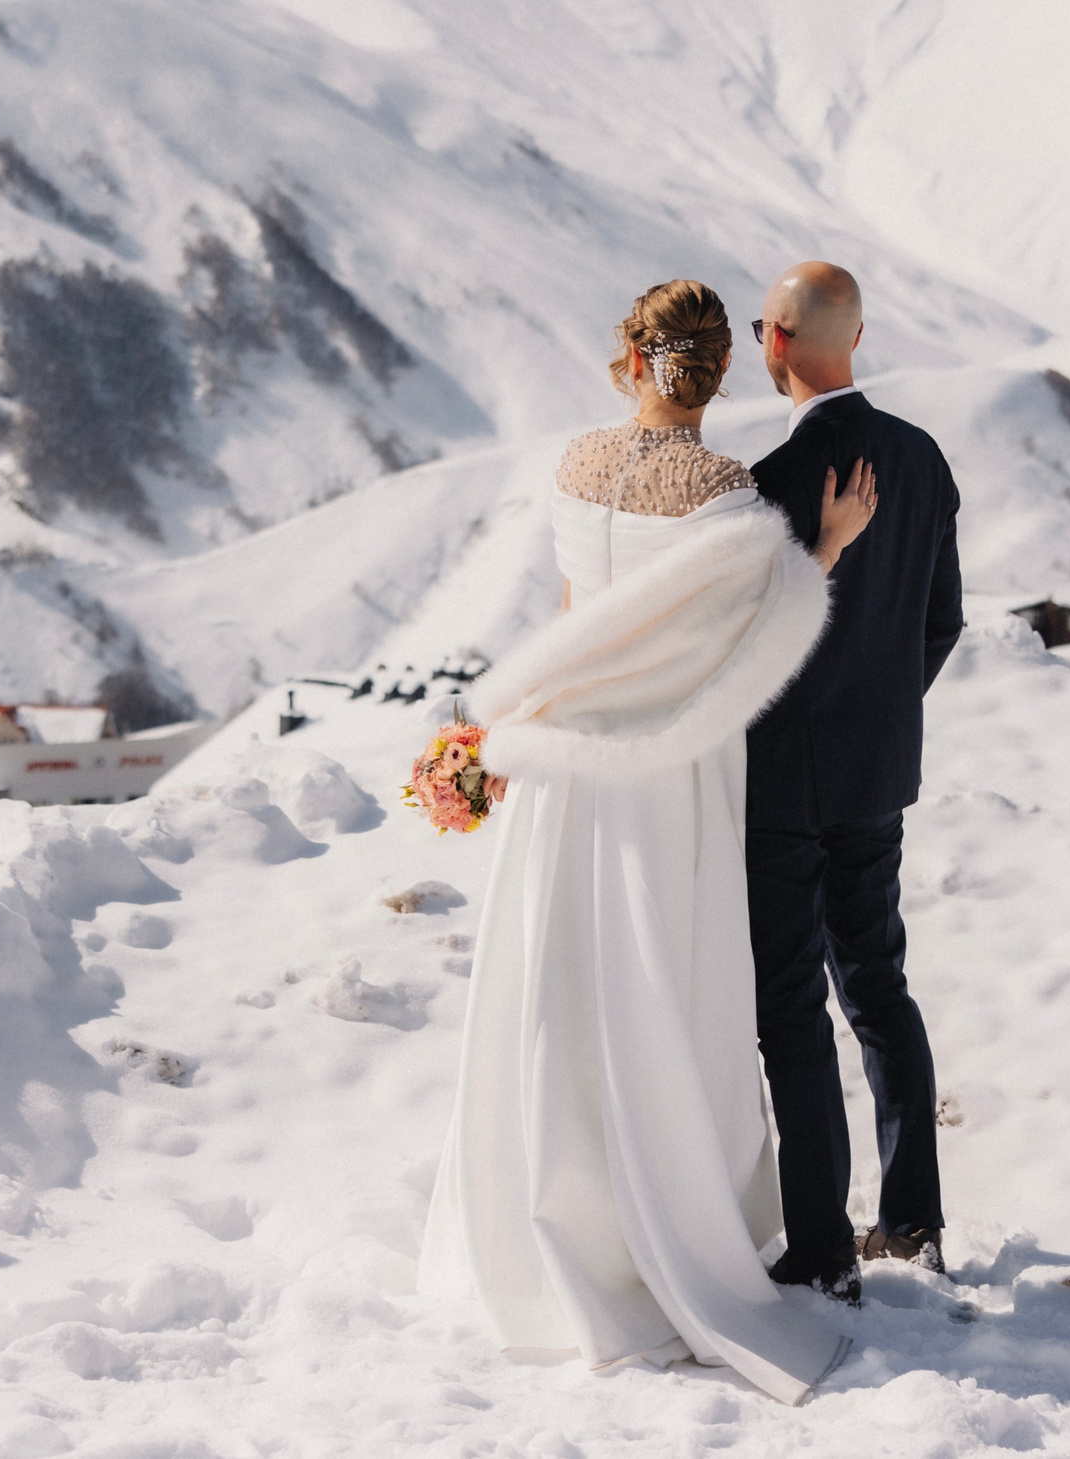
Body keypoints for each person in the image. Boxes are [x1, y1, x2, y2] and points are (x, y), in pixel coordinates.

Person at [419, 279, 877, 1404]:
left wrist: (506, 735)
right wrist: (825, 548)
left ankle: (544, 1225)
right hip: (668, 776)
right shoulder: (725, 496)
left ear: (632, 361)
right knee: (662, 988)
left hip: (565, 765)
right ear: (720, 370)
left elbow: (576, 624)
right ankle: (660, 1221)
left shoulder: (576, 465)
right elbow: (746, 638)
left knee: (557, 989)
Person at [744, 262, 963, 1304]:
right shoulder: (920, 458)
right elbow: (941, 619)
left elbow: (751, 642)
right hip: (879, 772)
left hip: (782, 783)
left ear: (777, 340)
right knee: (878, 987)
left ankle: (823, 1247)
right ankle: (913, 1223)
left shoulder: (769, 483)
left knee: (791, 1006)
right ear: (858, 337)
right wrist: (882, 709)